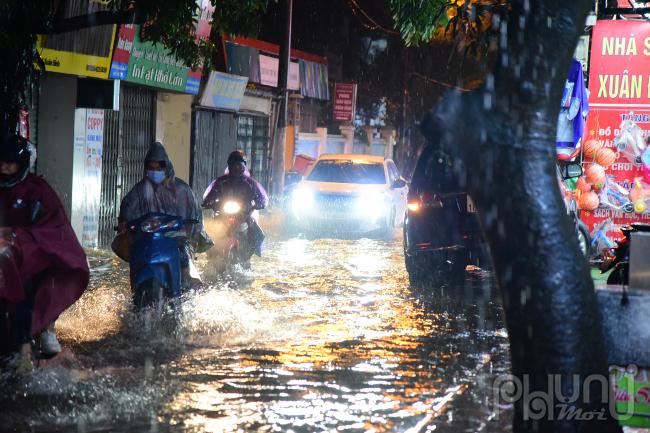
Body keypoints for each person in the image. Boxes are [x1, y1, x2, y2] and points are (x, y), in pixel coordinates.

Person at [0, 134, 89, 374]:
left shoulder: (38, 191)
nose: (5, 168)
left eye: (10, 163)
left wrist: (21, 238)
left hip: (33, 261)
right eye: (2, 162)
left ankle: (25, 353)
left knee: (23, 297)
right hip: (4, 260)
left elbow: (54, 229)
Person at [115, 141, 210, 286]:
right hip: (147, 241)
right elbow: (127, 213)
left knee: (186, 267)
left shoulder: (183, 190)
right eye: (150, 167)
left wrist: (189, 232)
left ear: (166, 167)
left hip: (177, 241)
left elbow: (195, 218)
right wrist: (124, 225)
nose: (154, 171)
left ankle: (188, 291)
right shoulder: (138, 191)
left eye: (158, 167)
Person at [202, 150, 268, 258]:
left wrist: (255, 203)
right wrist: (210, 202)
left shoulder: (251, 183)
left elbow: (262, 198)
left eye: (239, 164)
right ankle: (211, 255)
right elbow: (210, 195)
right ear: (229, 165)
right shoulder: (220, 182)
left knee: (257, 234)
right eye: (233, 164)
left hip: (245, 215)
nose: (236, 167)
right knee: (210, 231)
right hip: (223, 214)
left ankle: (250, 253)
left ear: (244, 166)